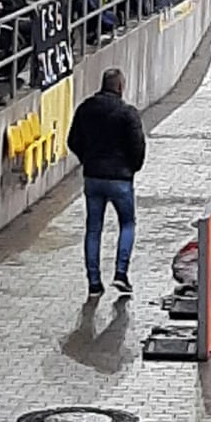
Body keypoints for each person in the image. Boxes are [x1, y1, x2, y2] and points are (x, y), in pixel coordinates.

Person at [67, 67, 146, 299]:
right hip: (120, 178)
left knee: (93, 229)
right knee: (127, 224)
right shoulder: (127, 113)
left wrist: (87, 159)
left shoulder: (86, 109)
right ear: (120, 87)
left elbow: (73, 140)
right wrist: (131, 168)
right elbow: (138, 146)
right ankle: (121, 273)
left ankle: (93, 282)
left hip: (93, 177)